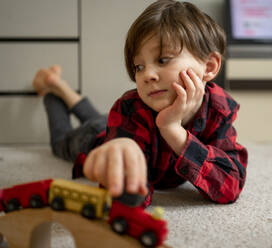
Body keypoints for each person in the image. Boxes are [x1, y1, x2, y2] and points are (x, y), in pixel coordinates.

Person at [34, 0, 248, 207]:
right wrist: (126, 150)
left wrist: (173, 130)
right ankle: (50, 93)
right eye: (139, 67)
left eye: (163, 60)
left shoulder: (219, 110)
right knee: (62, 140)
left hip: (108, 123)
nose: (147, 75)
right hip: (95, 139)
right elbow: (125, 197)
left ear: (209, 67)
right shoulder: (130, 108)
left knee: (98, 119)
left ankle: (60, 86)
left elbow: (230, 185)